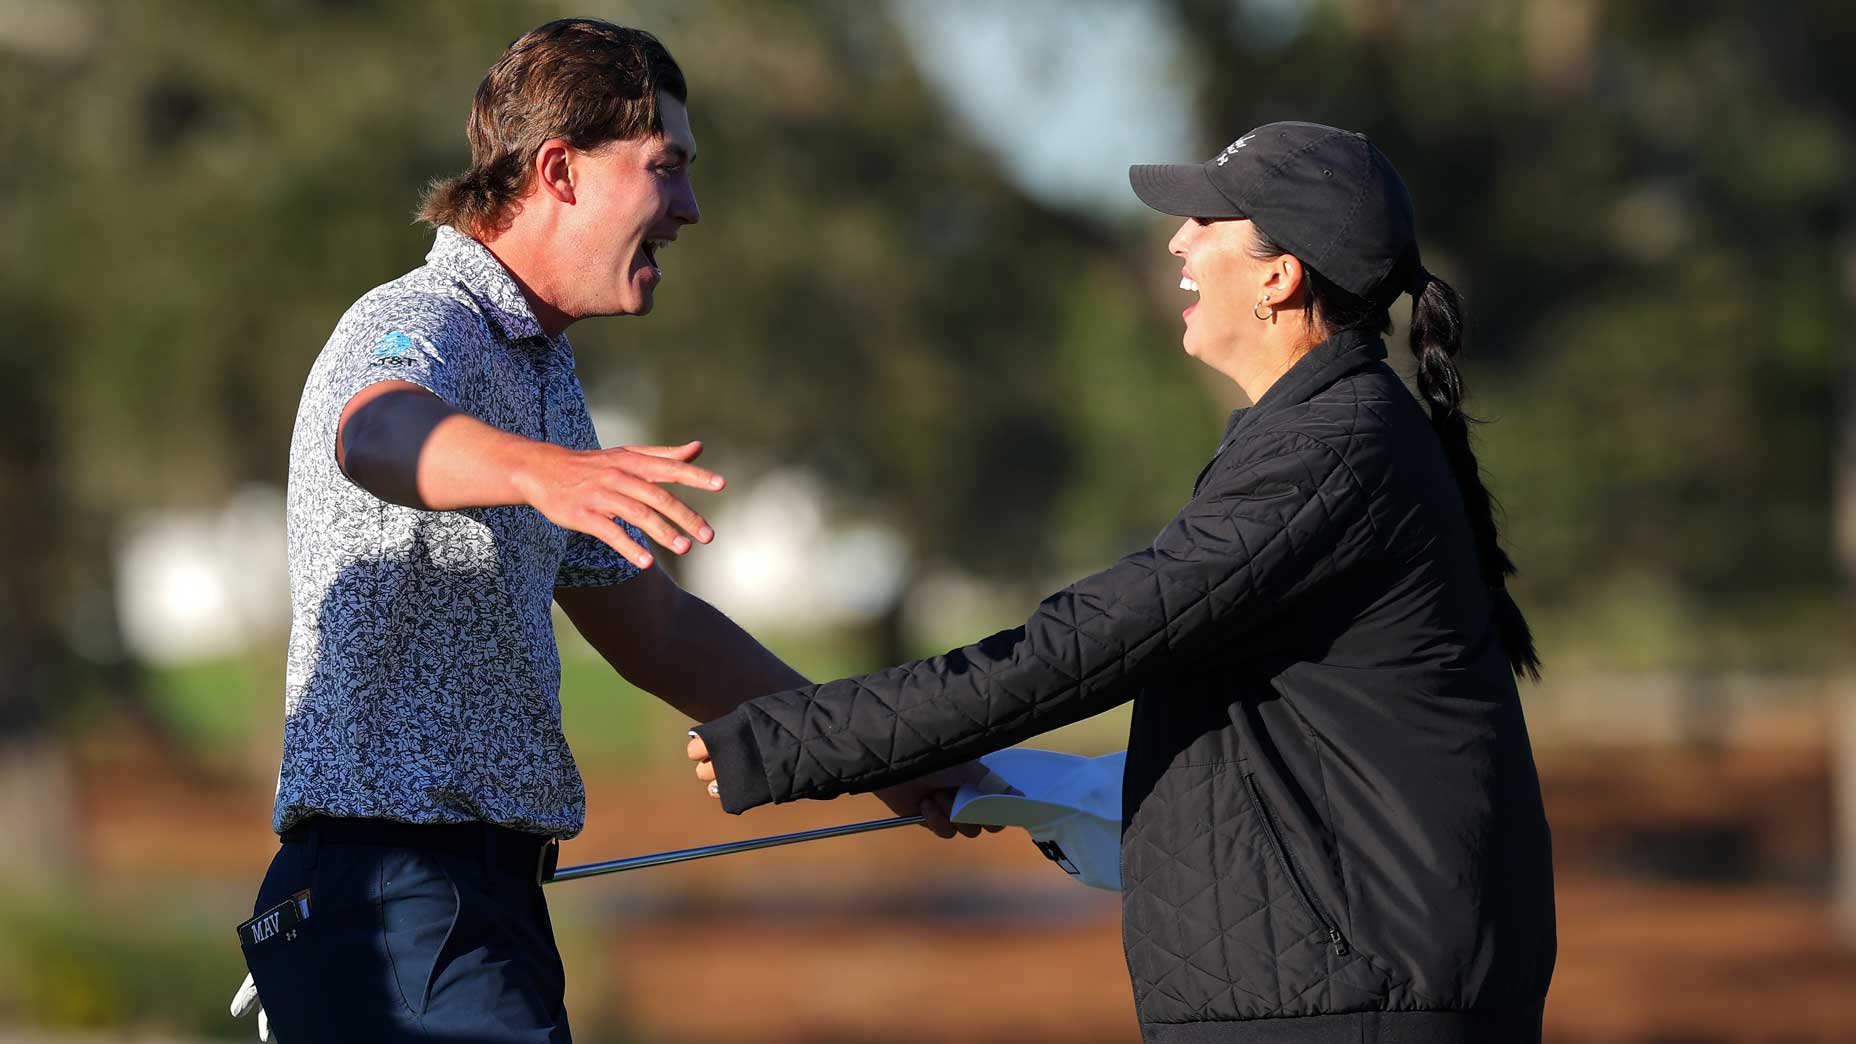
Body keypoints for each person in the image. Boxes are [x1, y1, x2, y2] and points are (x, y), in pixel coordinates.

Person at [689, 122, 1557, 1043]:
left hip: (1350, 1008)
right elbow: (1277, 731)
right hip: (1337, 997)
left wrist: (797, 742)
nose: (1178, 241)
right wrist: (1058, 788)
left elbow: (1088, 644)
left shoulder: (1330, 449)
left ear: (1279, 276)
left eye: (1207, 220)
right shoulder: (1326, 434)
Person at [233, 19, 977, 1044]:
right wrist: (545, 475)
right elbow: (375, 431)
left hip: (469, 911)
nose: (690, 208)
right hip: (394, 902)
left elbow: (658, 634)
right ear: (559, 170)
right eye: (664, 168)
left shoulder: (545, 375)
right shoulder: (422, 317)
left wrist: (874, 757)